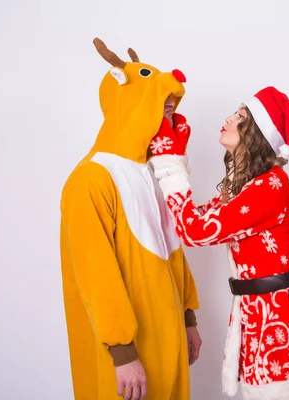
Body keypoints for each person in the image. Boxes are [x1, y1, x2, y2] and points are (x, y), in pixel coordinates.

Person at [148, 86, 289, 400]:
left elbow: (194, 231)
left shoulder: (271, 186)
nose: (228, 119)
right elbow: (191, 219)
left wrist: (169, 164)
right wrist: (172, 150)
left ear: (257, 134)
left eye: (240, 117)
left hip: (279, 324)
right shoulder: (249, 187)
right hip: (258, 317)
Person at [59, 38, 201, 400]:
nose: (169, 112)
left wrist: (188, 318)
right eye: (160, 103)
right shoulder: (91, 179)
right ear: (129, 100)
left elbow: (173, 247)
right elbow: (95, 272)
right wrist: (122, 352)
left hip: (168, 340)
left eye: (170, 107)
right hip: (128, 359)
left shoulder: (154, 171)